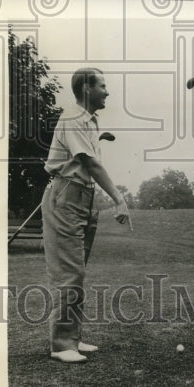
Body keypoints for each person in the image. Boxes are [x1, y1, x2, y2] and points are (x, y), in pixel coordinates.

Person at [41, 68, 131, 363]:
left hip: (82, 196)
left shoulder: (89, 121)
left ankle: (72, 338)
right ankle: (61, 345)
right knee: (69, 273)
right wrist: (119, 199)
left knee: (77, 271)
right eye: (102, 86)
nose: (107, 91)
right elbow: (90, 164)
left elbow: (85, 158)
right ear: (86, 88)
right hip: (66, 195)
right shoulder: (73, 118)